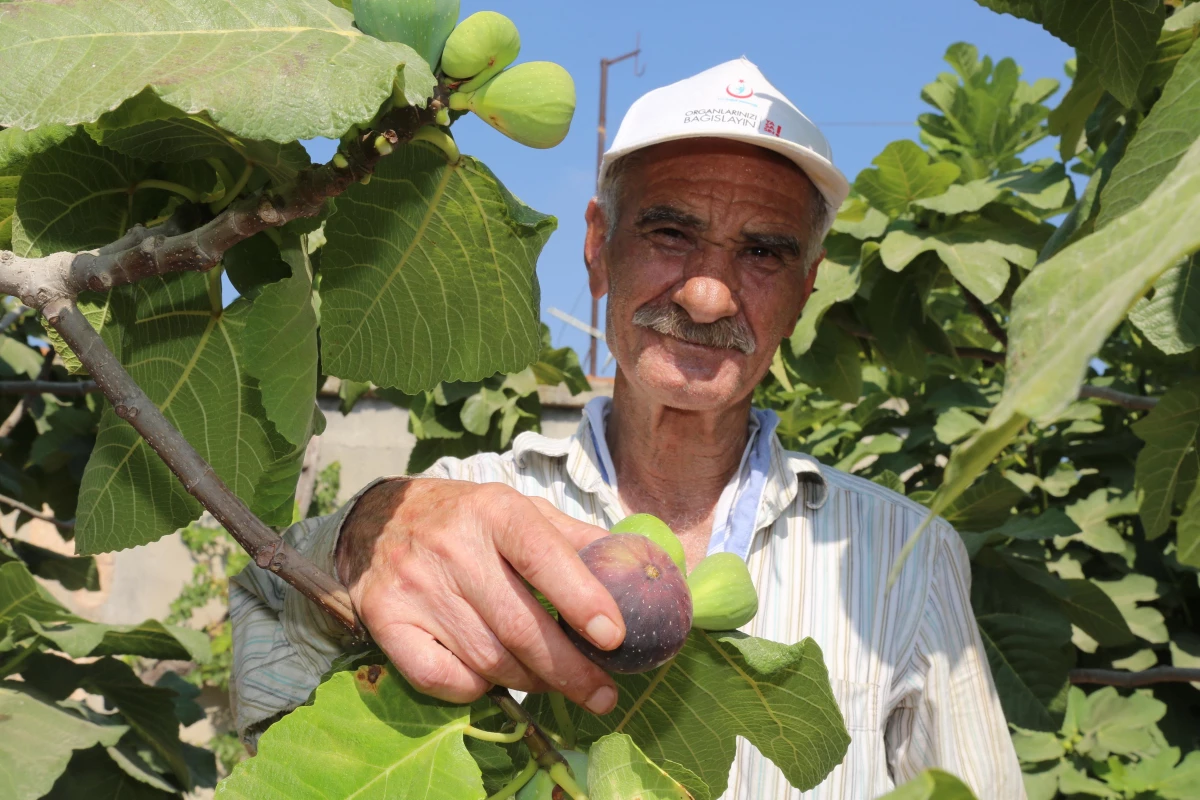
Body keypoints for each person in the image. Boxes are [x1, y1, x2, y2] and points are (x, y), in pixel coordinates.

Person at [229, 58, 1025, 798]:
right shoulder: (462, 506)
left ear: (807, 289)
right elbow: (259, 654)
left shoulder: (904, 556)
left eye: (763, 252)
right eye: (671, 233)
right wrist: (365, 531)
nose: (708, 297)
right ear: (597, 249)